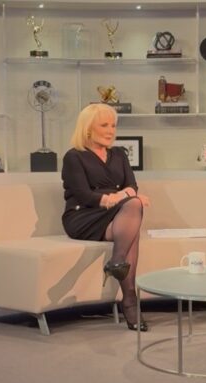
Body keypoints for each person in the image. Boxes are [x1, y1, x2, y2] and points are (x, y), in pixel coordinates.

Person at [61, 103, 150, 331]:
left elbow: (132, 185)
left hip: (116, 215)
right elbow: (84, 195)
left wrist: (127, 196)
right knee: (133, 209)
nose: (111, 131)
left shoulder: (119, 154)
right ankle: (129, 300)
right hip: (84, 215)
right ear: (88, 128)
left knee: (132, 212)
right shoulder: (74, 157)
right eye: (104, 125)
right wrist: (119, 197)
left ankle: (118, 265)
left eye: (113, 125)